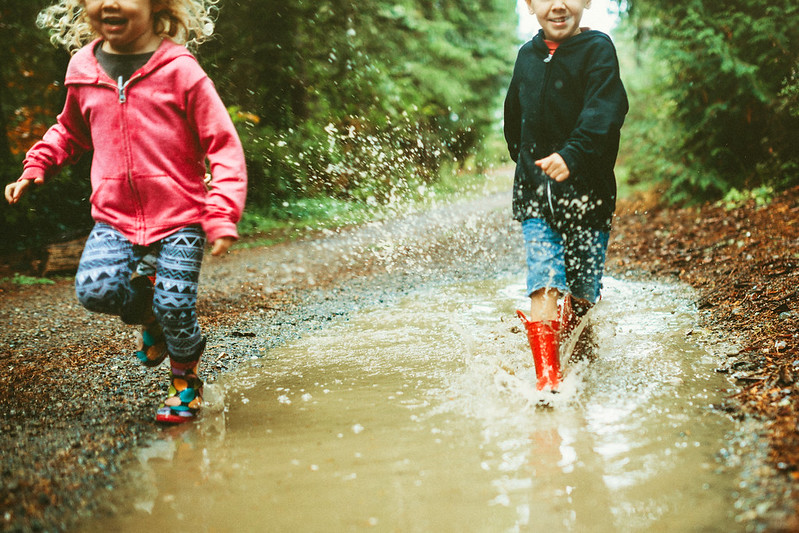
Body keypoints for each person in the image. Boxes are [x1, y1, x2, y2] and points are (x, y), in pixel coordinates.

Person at [4, 0, 247, 423]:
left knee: (176, 304)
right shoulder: (84, 69)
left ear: (157, 5)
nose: (110, 2)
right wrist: (38, 163)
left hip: (181, 215)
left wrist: (222, 212)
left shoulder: (181, 70)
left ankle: (185, 382)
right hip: (114, 217)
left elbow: (221, 143)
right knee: (95, 292)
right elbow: (69, 129)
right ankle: (151, 314)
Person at [503, 0, 628, 391]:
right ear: (528, 5)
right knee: (544, 280)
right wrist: (526, 165)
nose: (558, 5)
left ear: (587, 1)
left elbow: (605, 112)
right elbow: (514, 118)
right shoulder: (527, 56)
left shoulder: (598, 50)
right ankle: (549, 380)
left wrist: (571, 156)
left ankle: (581, 355)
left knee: (583, 291)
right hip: (537, 198)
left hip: (587, 197)